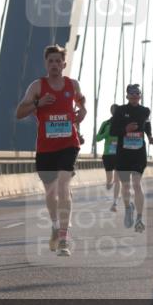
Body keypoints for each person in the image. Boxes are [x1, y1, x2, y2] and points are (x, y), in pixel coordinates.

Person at [15, 44, 86, 257]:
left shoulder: (72, 84)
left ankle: (64, 237)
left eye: (58, 61)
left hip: (68, 144)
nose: (54, 64)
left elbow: (80, 100)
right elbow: (19, 112)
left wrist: (82, 110)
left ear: (64, 64)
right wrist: (38, 103)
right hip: (46, 148)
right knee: (51, 193)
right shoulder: (37, 86)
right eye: (50, 61)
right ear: (46, 64)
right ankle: (55, 225)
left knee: (63, 186)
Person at [110, 84, 153, 232]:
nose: (135, 95)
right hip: (123, 154)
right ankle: (128, 208)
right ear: (127, 96)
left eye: (137, 93)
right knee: (126, 187)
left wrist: (150, 136)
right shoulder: (120, 111)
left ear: (140, 96)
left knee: (136, 184)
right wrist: (126, 129)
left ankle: (139, 218)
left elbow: (147, 125)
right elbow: (112, 131)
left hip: (138, 153)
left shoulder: (145, 111)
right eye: (132, 93)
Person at [95, 104, 122, 211]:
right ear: (111, 112)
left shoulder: (123, 123)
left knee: (117, 179)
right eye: (114, 111)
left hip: (120, 154)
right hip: (108, 155)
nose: (115, 113)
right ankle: (108, 183)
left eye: (117, 111)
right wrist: (106, 134)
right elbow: (97, 138)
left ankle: (114, 204)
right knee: (109, 181)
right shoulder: (105, 123)